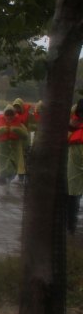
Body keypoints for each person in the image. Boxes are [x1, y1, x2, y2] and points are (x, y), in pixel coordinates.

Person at [0, 104, 29, 186]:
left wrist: (16, 130)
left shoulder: (19, 125)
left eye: (11, 114)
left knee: (12, 172)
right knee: (2, 172)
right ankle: (2, 193)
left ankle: (6, 189)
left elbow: (25, 135)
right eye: (7, 114)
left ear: (14, 115)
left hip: (14, 153)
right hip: (0, 152)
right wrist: (3, 129)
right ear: (4, 115)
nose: (9, 116)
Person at [68, 99, 83, 233]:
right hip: (76, 152)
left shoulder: (74, 123)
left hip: (76, 151)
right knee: (74, 193)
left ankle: (71, 226)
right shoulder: (74, 123)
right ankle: (71, 226)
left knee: (74, 192)